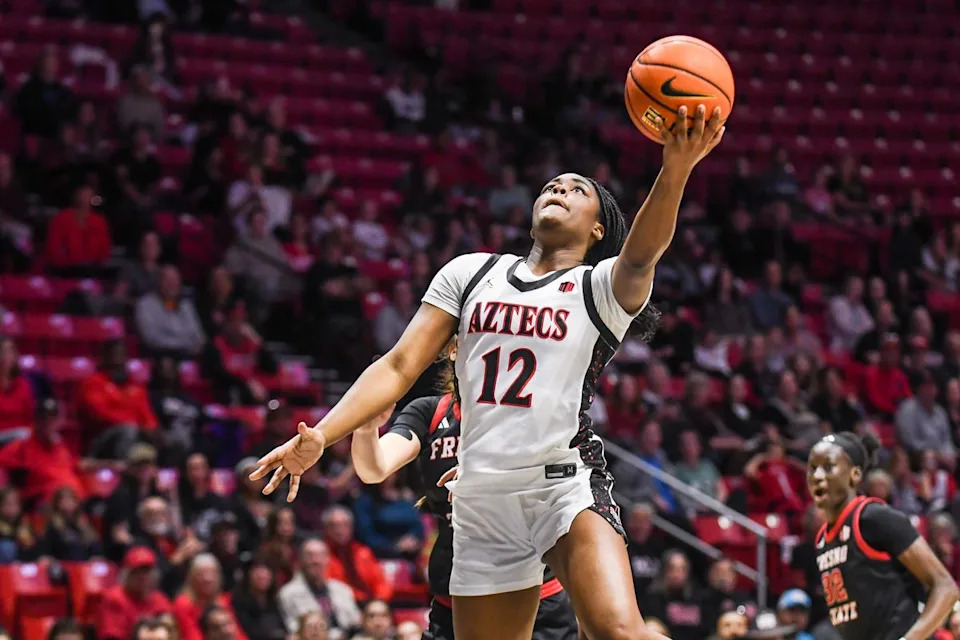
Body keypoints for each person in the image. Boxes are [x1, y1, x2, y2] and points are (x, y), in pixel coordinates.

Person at [253, 105, 724, 640]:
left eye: (575, 189)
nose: (558, 189)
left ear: (598, 228)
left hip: (561, 485)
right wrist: (322, 436)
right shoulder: (472, 272)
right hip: (478, 500)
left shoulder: (601, 288)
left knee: (617, 631)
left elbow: (642, 255)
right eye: (552, 184)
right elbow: (399, 364)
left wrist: (677, 168)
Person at [349, 343, 579, 640]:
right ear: (456, 349)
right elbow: (373, 469)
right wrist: (366, 427)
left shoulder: (530, 415)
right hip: (454, 596)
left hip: (535, 596)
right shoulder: (429, 412)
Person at [807, 432, 959, 639]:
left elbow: (946, 587)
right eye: (812, 468)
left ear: (855, 475)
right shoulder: (822, 539)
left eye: (828, 466)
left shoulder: (873, 518)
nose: (817, 476)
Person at [276, 538, 361, 637]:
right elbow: (294, 629)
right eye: (309, 556)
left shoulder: (343, 590)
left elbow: (356, 621)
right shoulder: (288, 594)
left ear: (327, 559)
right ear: (300, 560)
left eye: (320, 555)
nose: (316, 560)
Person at [96, 546, 173, 640]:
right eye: (137, 571)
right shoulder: (115, 599)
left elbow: (171, 631)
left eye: (146, 571)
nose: (143, 577)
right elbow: (111, 637)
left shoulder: (159, 599)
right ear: (127, 575)